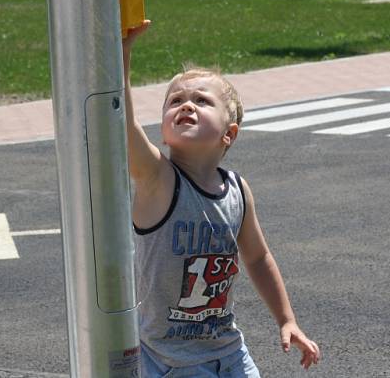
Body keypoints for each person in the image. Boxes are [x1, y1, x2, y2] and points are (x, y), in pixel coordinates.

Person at [123, 20, 320, 377]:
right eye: (175, 101)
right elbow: (123, 124)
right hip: (172, 360)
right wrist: (121, 55)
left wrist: (286, 319)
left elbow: (258, 258)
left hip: (228, 351)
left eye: (201, 100)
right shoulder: (159, 180)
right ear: (164, 133)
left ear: (229, 134)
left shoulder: (237, 190)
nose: (186, 106)